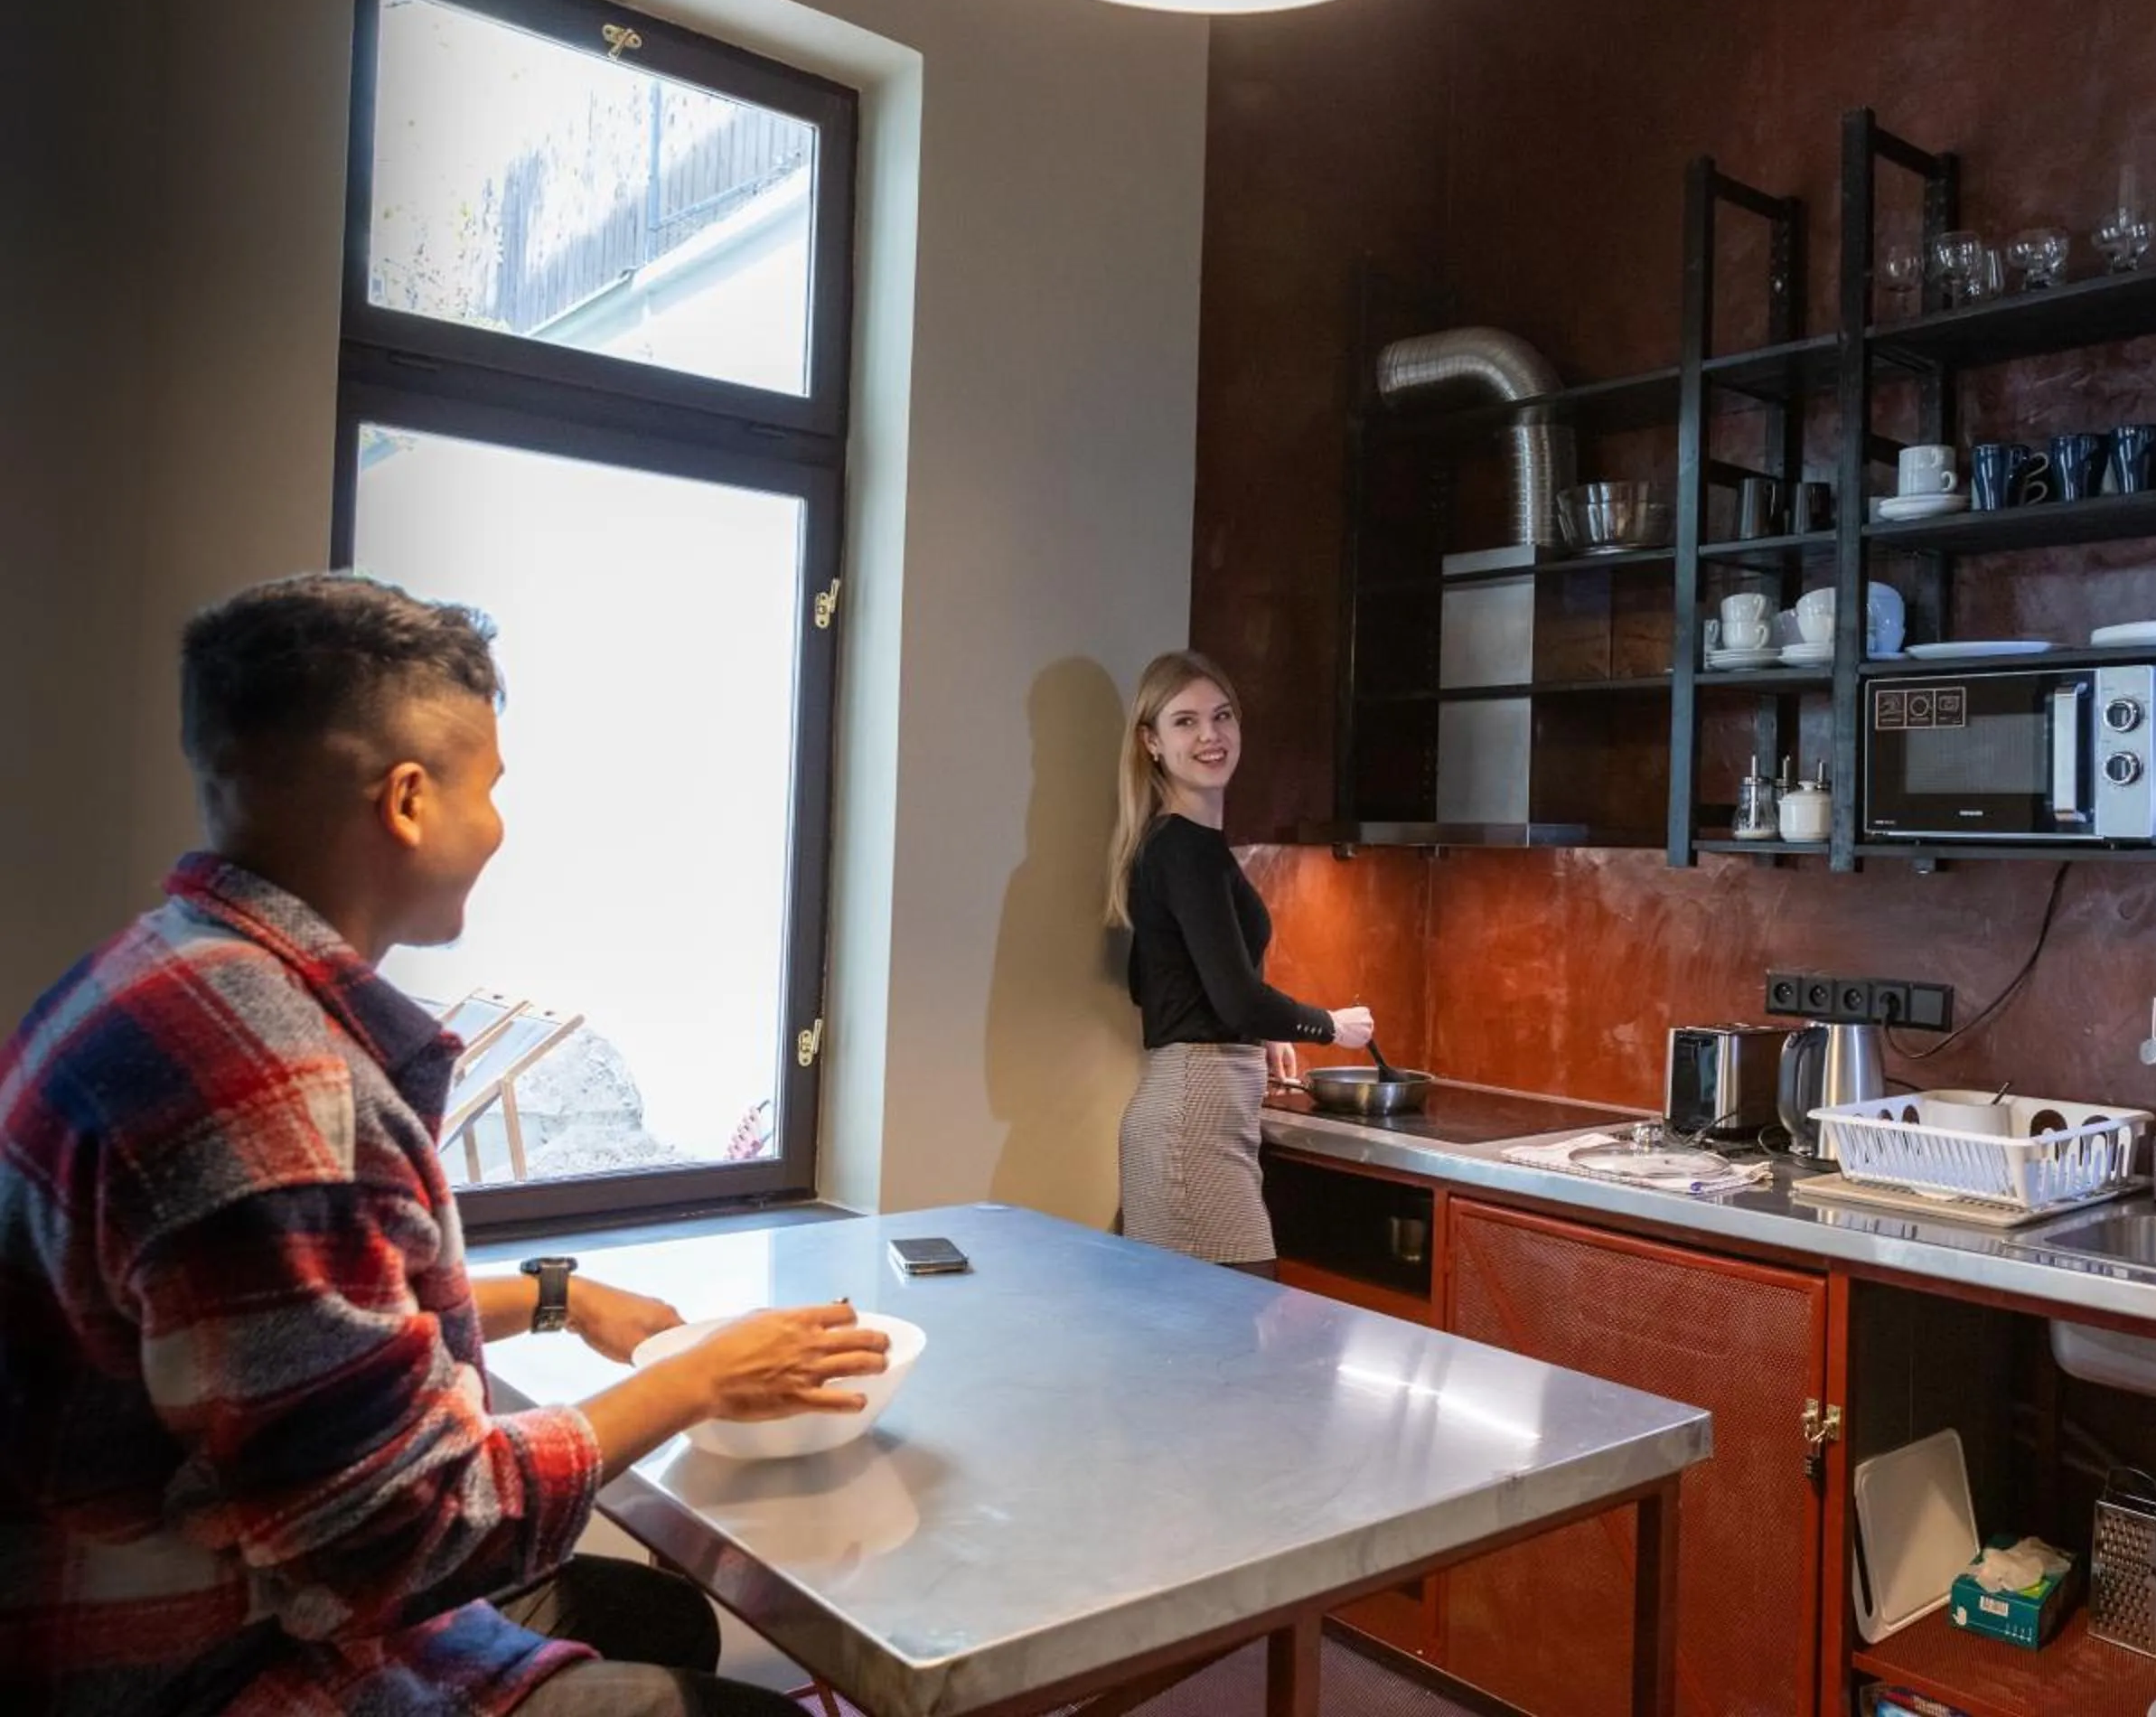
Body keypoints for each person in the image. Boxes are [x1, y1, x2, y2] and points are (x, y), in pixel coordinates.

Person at [0, 574, 889, 1716]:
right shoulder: (277, 1087)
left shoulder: (163, 974)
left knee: (657, 1615)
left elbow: (297, 1322)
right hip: (212, 1663)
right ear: (410, 800)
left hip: (222, 1581)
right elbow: (409, 1531)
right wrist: (700, 1381)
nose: (502, 827)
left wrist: (559, 1293)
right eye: (493, 787)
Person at [1103, 652, 1372, 1273]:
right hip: (1193, 1125)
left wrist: (1253, 1035)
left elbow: (1152, 984)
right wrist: (1328, 1025)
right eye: (1186, 722)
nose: (1210, 736)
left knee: (1204, 1342)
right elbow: (1234, 999)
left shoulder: (1173, 845)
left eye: (1222, 717)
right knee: (1230, 1336)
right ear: (1152, 742)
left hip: (1189, 1113)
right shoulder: (1187, 851)